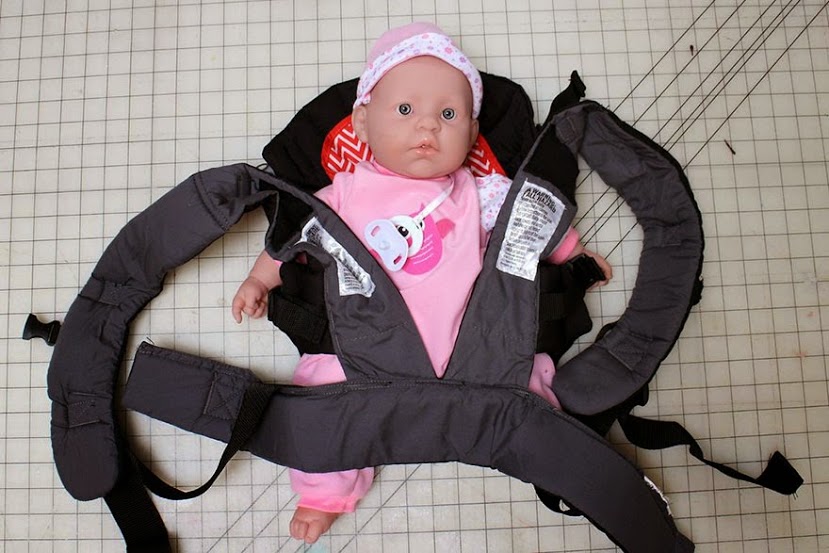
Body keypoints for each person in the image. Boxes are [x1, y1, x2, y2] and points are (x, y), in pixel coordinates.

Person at [231, 22, 612, 544]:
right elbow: (294, 237)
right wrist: (259, 279)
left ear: (472, 135)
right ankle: (325, 492)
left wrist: (574, 255)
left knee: (533, 390)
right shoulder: (345, 192)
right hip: (363, 351)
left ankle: (556, 461)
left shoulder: (481, 191)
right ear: (362, 124)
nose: (428, 125)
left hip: (476, 350)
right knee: (321, 402)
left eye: (448, 115)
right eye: (406, 110)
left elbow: (532, 222)